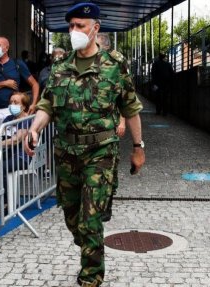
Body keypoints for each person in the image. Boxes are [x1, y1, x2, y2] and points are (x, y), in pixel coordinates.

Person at [24, 3, 145, 286]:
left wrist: (139, 147)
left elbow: (131, 108)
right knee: (72, 218)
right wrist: (34, 127)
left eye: (80, 26)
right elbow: (47, 105)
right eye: (71, 26)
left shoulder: (114, 66)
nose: (74, 31)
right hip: (66, 153)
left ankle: (90, 277)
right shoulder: (60, 68)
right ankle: (91, 248)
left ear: (95, 29)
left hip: (100, 152)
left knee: (89, 220)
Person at [0, 36, 40, 138]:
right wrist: (4, 83)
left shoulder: (17, 64)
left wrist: (33, 104)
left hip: (11, 111)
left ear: (6, 48)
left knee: (10, 144)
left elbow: (35, 84)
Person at [96, 33, 126, 222]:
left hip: (111, 126)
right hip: (94, 128)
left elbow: (124, 99)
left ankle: (107, 203)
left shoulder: (116, 64)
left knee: (110, 169)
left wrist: (122, 121)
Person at [0, 92, 32, 217]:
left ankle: (6, 204)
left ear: (24, 106)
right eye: (11, 102)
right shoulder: (8, 119)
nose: (12, 105)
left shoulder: (27, 120)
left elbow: (16, 139)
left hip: (20, 157)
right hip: (6, 155)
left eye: (16, 103)